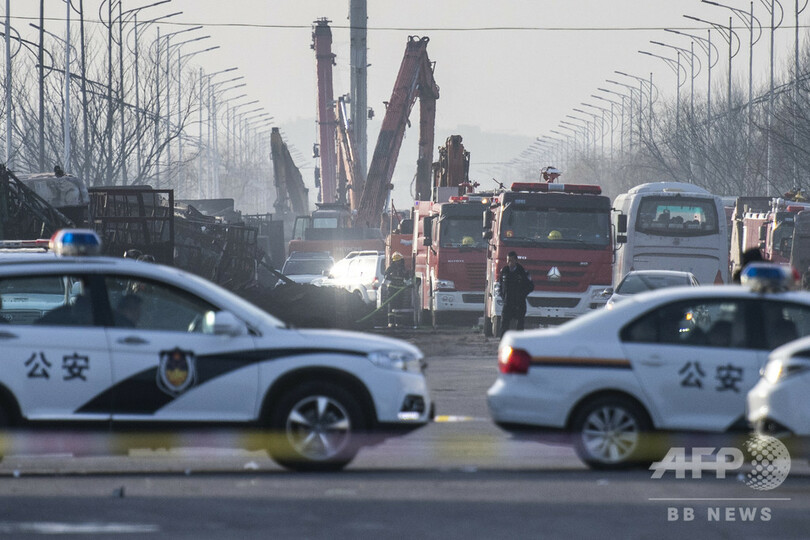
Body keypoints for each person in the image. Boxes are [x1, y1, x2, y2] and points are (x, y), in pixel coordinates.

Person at [499, 251, 534, 337]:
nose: (509, 262)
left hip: (519, 303)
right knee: (504, 324)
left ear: (516, 261)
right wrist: (503, 296)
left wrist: (522, 296)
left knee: (519, 325)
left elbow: (530, 286)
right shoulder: (504, 271)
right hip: (507, 303)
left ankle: (519, 343)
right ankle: (503, 342)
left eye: (511, 260)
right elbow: (500, 286)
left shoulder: (522, 272)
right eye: (508, 260)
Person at [384, 252, 409, 327]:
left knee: (399, 306)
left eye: (399, 261)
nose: (398, 263)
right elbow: (386, 277)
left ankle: (399, 322)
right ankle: (391, 322)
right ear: (393, 261)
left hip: (400, 290)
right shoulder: (390, 269)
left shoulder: (403, 269)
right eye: (396, 261)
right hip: (392, 290)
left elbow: (407, 278)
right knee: (391, 306)